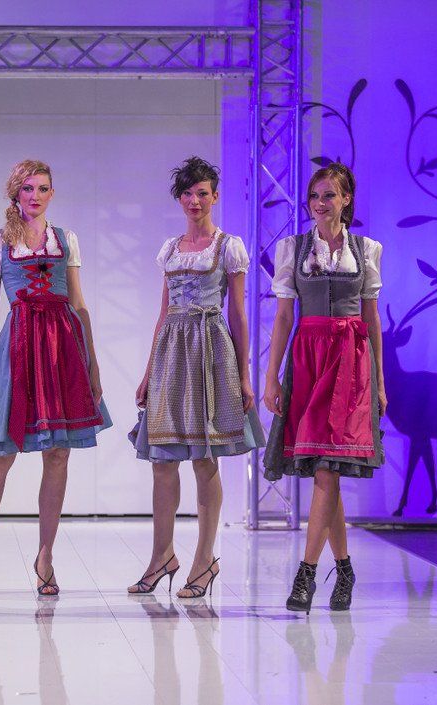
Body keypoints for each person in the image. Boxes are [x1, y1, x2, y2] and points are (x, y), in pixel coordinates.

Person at [0, 159, 111, 597]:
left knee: (57, 454)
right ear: (15, 194)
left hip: (62, 350)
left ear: (52, 193)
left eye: (42, 188)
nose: (35, 196)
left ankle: (45, 557)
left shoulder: (66, 239)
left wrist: (92, 363)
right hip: (17, 349)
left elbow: (78, 303)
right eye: (28, 188)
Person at [128, 157, 265, 598]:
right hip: (171, 352)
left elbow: (238, 314)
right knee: (163, 460)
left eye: (202, 193)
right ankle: (162, 556)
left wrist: (244, 376)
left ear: (215, 196)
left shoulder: (228, 247)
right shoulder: (170, 249)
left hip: (210, 352)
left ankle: (205, 559)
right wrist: (148, 370)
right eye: (187, 194)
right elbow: (163, 312)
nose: (194, 201)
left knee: (205, 458)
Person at [262, 162, 385, 613]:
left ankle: (306, 574)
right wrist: (271, 376)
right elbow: (283, 318)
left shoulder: (366, 249)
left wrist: (380, 381)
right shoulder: (294, 249)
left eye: (329, 195)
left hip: (351, 364)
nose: (320, 203)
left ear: (346, 199)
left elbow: (371, 319)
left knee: (328, 470)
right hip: (310, 361)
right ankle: (345, 569)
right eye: (315, 196)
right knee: (323, 470)